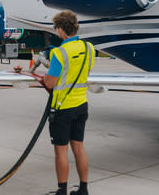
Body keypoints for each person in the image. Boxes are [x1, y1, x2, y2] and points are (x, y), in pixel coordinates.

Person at [43, 10, 95, 195]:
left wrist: (44, 74)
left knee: (61, 151)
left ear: (60, 30)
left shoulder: (59, 53)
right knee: (78, 147)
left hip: (63, 108)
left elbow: (50, 82)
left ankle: (62, 190)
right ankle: (83, 189)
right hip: (81, 105)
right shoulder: (89, 49)